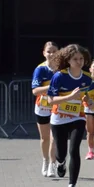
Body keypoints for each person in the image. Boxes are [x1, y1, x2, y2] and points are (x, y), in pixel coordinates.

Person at [47, 44, 93, 187]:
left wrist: (88, 100)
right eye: (75, 59)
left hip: (77, 117)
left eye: (81, 59)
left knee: (74, 150)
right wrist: (69, 97)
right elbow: (51, 100)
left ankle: (72, 186)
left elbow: (84, 95)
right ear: (68, 60)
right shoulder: (59, 76)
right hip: (59, 118)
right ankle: (60, 163)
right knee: (61, 153)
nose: (79, 62)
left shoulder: (86, 78)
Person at [31, 41, 59, 177]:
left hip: (58, 107)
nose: (52, 54)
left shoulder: (63, 68)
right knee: (45, 138)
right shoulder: (40, 69)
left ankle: (53, 164)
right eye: (49, 51)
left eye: (54, 51)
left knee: (54, 138)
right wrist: (51, 87)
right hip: (42, 107)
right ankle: (45, 160)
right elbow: (35, 90)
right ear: (44, 53)